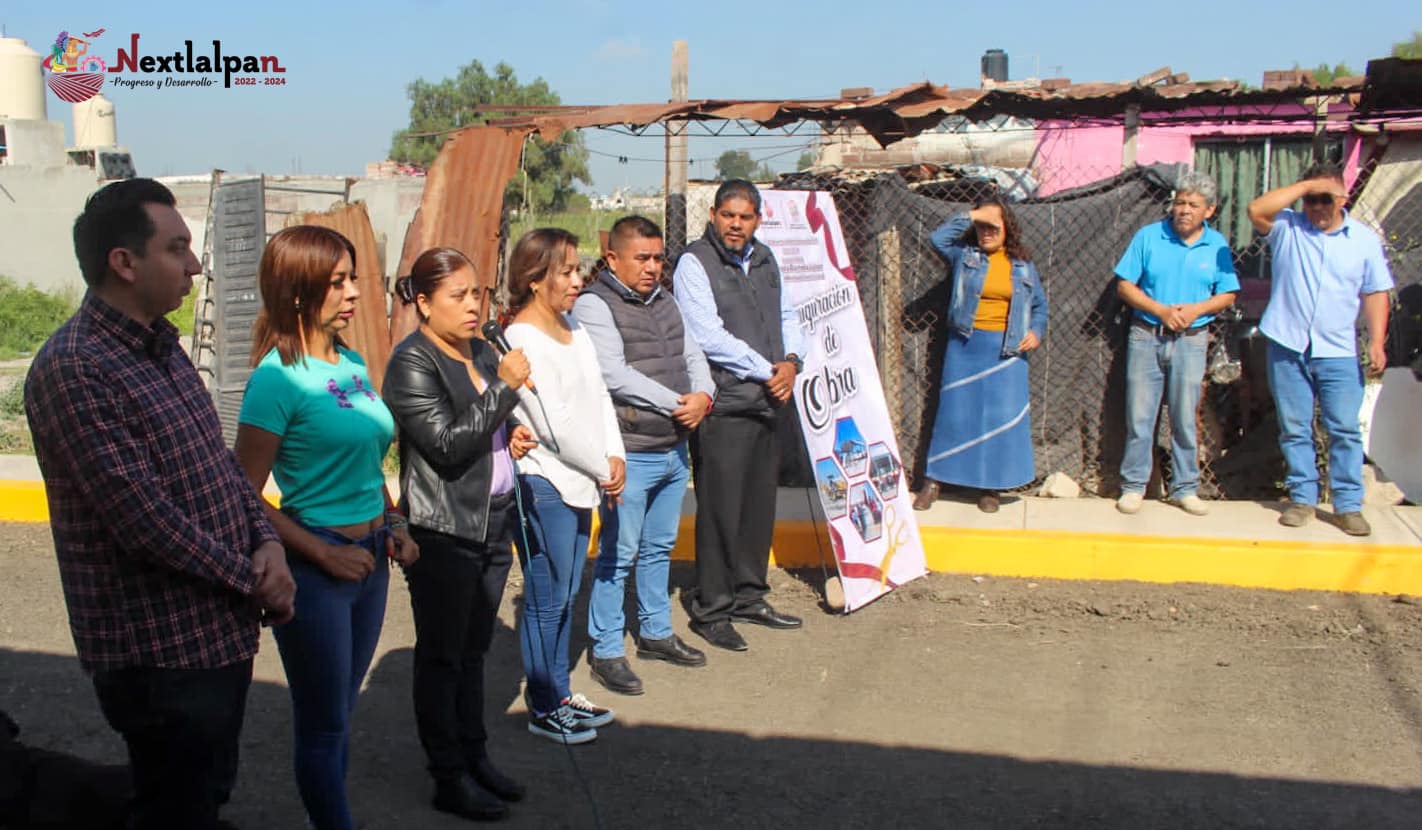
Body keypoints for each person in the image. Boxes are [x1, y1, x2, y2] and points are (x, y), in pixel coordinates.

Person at [24, 177, 295, 829]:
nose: (196, 265)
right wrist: (254, 578)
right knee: (173, 804)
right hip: (160, 653)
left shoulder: (162, 348)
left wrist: (269, 543)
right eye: (177, 248)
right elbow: (144, 522)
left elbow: (223, 471)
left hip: (216, 634)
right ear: (124, 262)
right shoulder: (77, 368)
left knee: (204, 794)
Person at [233, 225, 419, 830]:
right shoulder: (276, 378)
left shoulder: (352, 361)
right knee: (324, 724)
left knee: (340, 709)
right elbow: (241, 493)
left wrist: (392, 522)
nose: (354, 293)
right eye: (337, 282)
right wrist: (322, 553)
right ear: (297, 292)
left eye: (352, 278)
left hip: (370, 560)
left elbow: (367, 460)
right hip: (321, 569)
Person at [382, 247, 537, 821]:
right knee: (444, 657)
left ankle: (476, 756)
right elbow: (445, 444)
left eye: (478, 294)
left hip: (493, 519)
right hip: (445, 528)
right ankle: (447, 775)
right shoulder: (412, 363)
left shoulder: (478, 349)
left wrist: (512, 430)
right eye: (459, 296)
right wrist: (505, 391)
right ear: (423, 303)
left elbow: (487, 419)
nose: (474, 306)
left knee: (474, 652)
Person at [571, 216, 714, 695]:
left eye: (658, 258)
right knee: (618, 552)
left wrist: (705, 397)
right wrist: (679, 403)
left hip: (673, 448)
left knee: (658, 547)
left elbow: (694, 355)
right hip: (632, 451)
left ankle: (654, 632)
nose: (653, 267)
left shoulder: (666, 300)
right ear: (612, 258)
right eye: (643, 258)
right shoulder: (595, 305)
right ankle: (607, 648)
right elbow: (613, 374)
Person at [673, 179, 806, 652]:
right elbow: (706, 334)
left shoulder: (765, 258)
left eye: (744, 216)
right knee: (720, 510)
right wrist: (768, 369)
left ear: (757, 219)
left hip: (769, 401)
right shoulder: (694, 262)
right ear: (713, 215)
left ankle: (750, 596)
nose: (735, 224)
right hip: (725, 405)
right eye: (728, 215)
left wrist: (792, 362)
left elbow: (788, 315)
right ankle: (712, 608)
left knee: (757, 509)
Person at [505, 228, 624, 743]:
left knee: (567, 589)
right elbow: (549, 424)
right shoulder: (520, 339)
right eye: (567, 271)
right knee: (546, 596)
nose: (578, 280)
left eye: (579, 269)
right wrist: (602, 465)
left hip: (585, 477)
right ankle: (543, 703)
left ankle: (558, 688)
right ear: (535, 280)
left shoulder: (575, 328)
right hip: (547, 482)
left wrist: (614, 453)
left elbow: (598, 395)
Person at [1248, 162, 1393, 536]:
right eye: (1311, 200)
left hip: (1338, 349)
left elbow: (1375, 292)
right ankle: (1302, 499)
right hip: (1287, 343)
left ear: (1343, 198)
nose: (1317, 207)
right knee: (1294, 427)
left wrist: (1377, 341)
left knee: (1343, 428)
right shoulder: (1288, 228)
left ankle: (1347, 504)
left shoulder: (1363, 240)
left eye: (1325, 199)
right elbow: (1255, 210)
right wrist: (1307, 186)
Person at [1114, 171, 1239, 516]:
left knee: (1184, 417)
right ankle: (1134, 486)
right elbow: (1124, 285)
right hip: (1147, 335)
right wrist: (1159, 310)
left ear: (1209, 211)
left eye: (1193, 204)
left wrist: (1197, 308)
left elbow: (1228, 293)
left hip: (1192, 339)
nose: (1183, 210)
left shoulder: (1217, 246)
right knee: (1140, 415)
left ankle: (1185, 488)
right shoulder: (1149, 237)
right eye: (1180, 202)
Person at [913, 197, 1048, 514]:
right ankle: (933, 482)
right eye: (981, 226)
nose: (986, 232)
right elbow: (937, 239)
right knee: (953, 416)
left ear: (1007, 229)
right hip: (965, 347)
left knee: (997, 422)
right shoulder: (965, 256)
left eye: (993, 226)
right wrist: (974, 214)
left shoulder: (1023, 266)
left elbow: (1039, 307)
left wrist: (1036, 332)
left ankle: (989, 488)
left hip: (1007, 351)